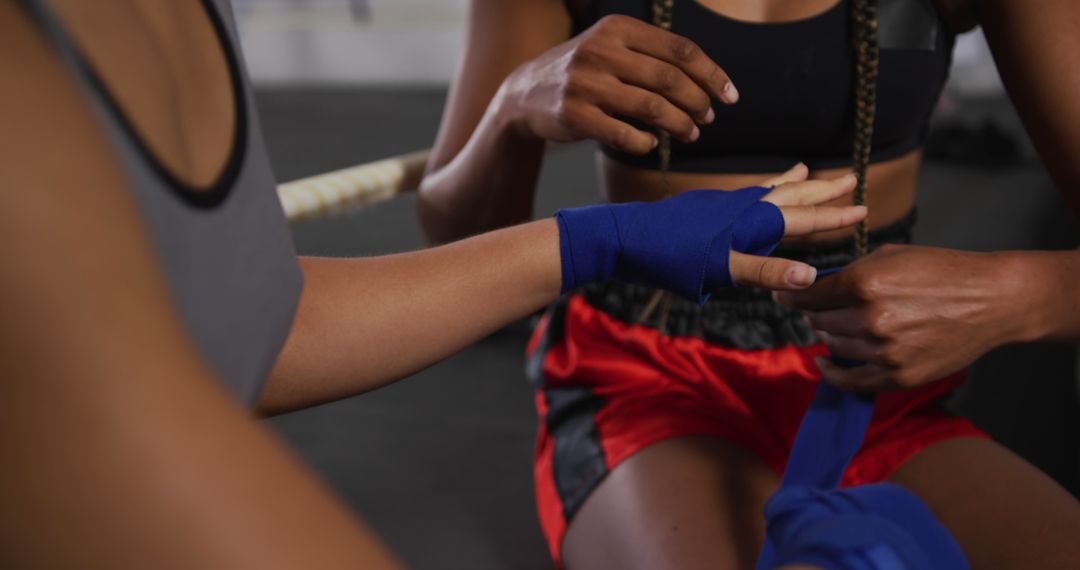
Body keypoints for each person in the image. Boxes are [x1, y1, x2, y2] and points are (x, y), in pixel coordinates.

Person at [0, 0, 869, 567]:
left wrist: (592, 242)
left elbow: (263, 329)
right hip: (643, 375)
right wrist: (512, 116)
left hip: (854, 370)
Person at [417, 0, 1080, 568]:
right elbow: (455, 243)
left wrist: (1021, 292)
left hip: (874, 366)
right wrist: (512, 108)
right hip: (648, 372)